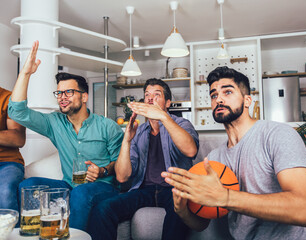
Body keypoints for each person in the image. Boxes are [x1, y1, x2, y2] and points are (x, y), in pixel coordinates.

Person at [161, 66, 306, 239]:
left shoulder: (277, 134)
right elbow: (201, 224)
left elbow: (305, 210)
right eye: (213, 95)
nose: (218, 98)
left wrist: (226, 197)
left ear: (247, 100)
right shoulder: (214, 159)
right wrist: (183, 211)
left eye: (227, 92)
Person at [8, 40, 124, 231]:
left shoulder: (108, 127)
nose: (62, 97)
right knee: (28, 185)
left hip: (104, 187)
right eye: (59, 92)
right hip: (70, 186)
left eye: (68, 92)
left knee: (82, 194)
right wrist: (26, 73)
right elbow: (16, 112)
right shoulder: (54, 123)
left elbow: (120, 167)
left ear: (84, 96)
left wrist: (102, 170)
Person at [88, 78, 199, 240]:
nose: (150, 98)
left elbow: (190, 150)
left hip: (174, 190)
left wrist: (163, 117)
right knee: (103, 208)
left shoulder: (182, 124)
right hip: (143, 191)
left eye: (156, 94)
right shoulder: (139, 131)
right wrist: (126, 140)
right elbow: (122, 176)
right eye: (147, 95)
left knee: (178, 215)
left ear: (168, 103)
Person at [0, 87, 26, 213]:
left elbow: (18, 138)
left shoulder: (8, 98)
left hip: (6, 162)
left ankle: (10, 233)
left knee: (5, 192)